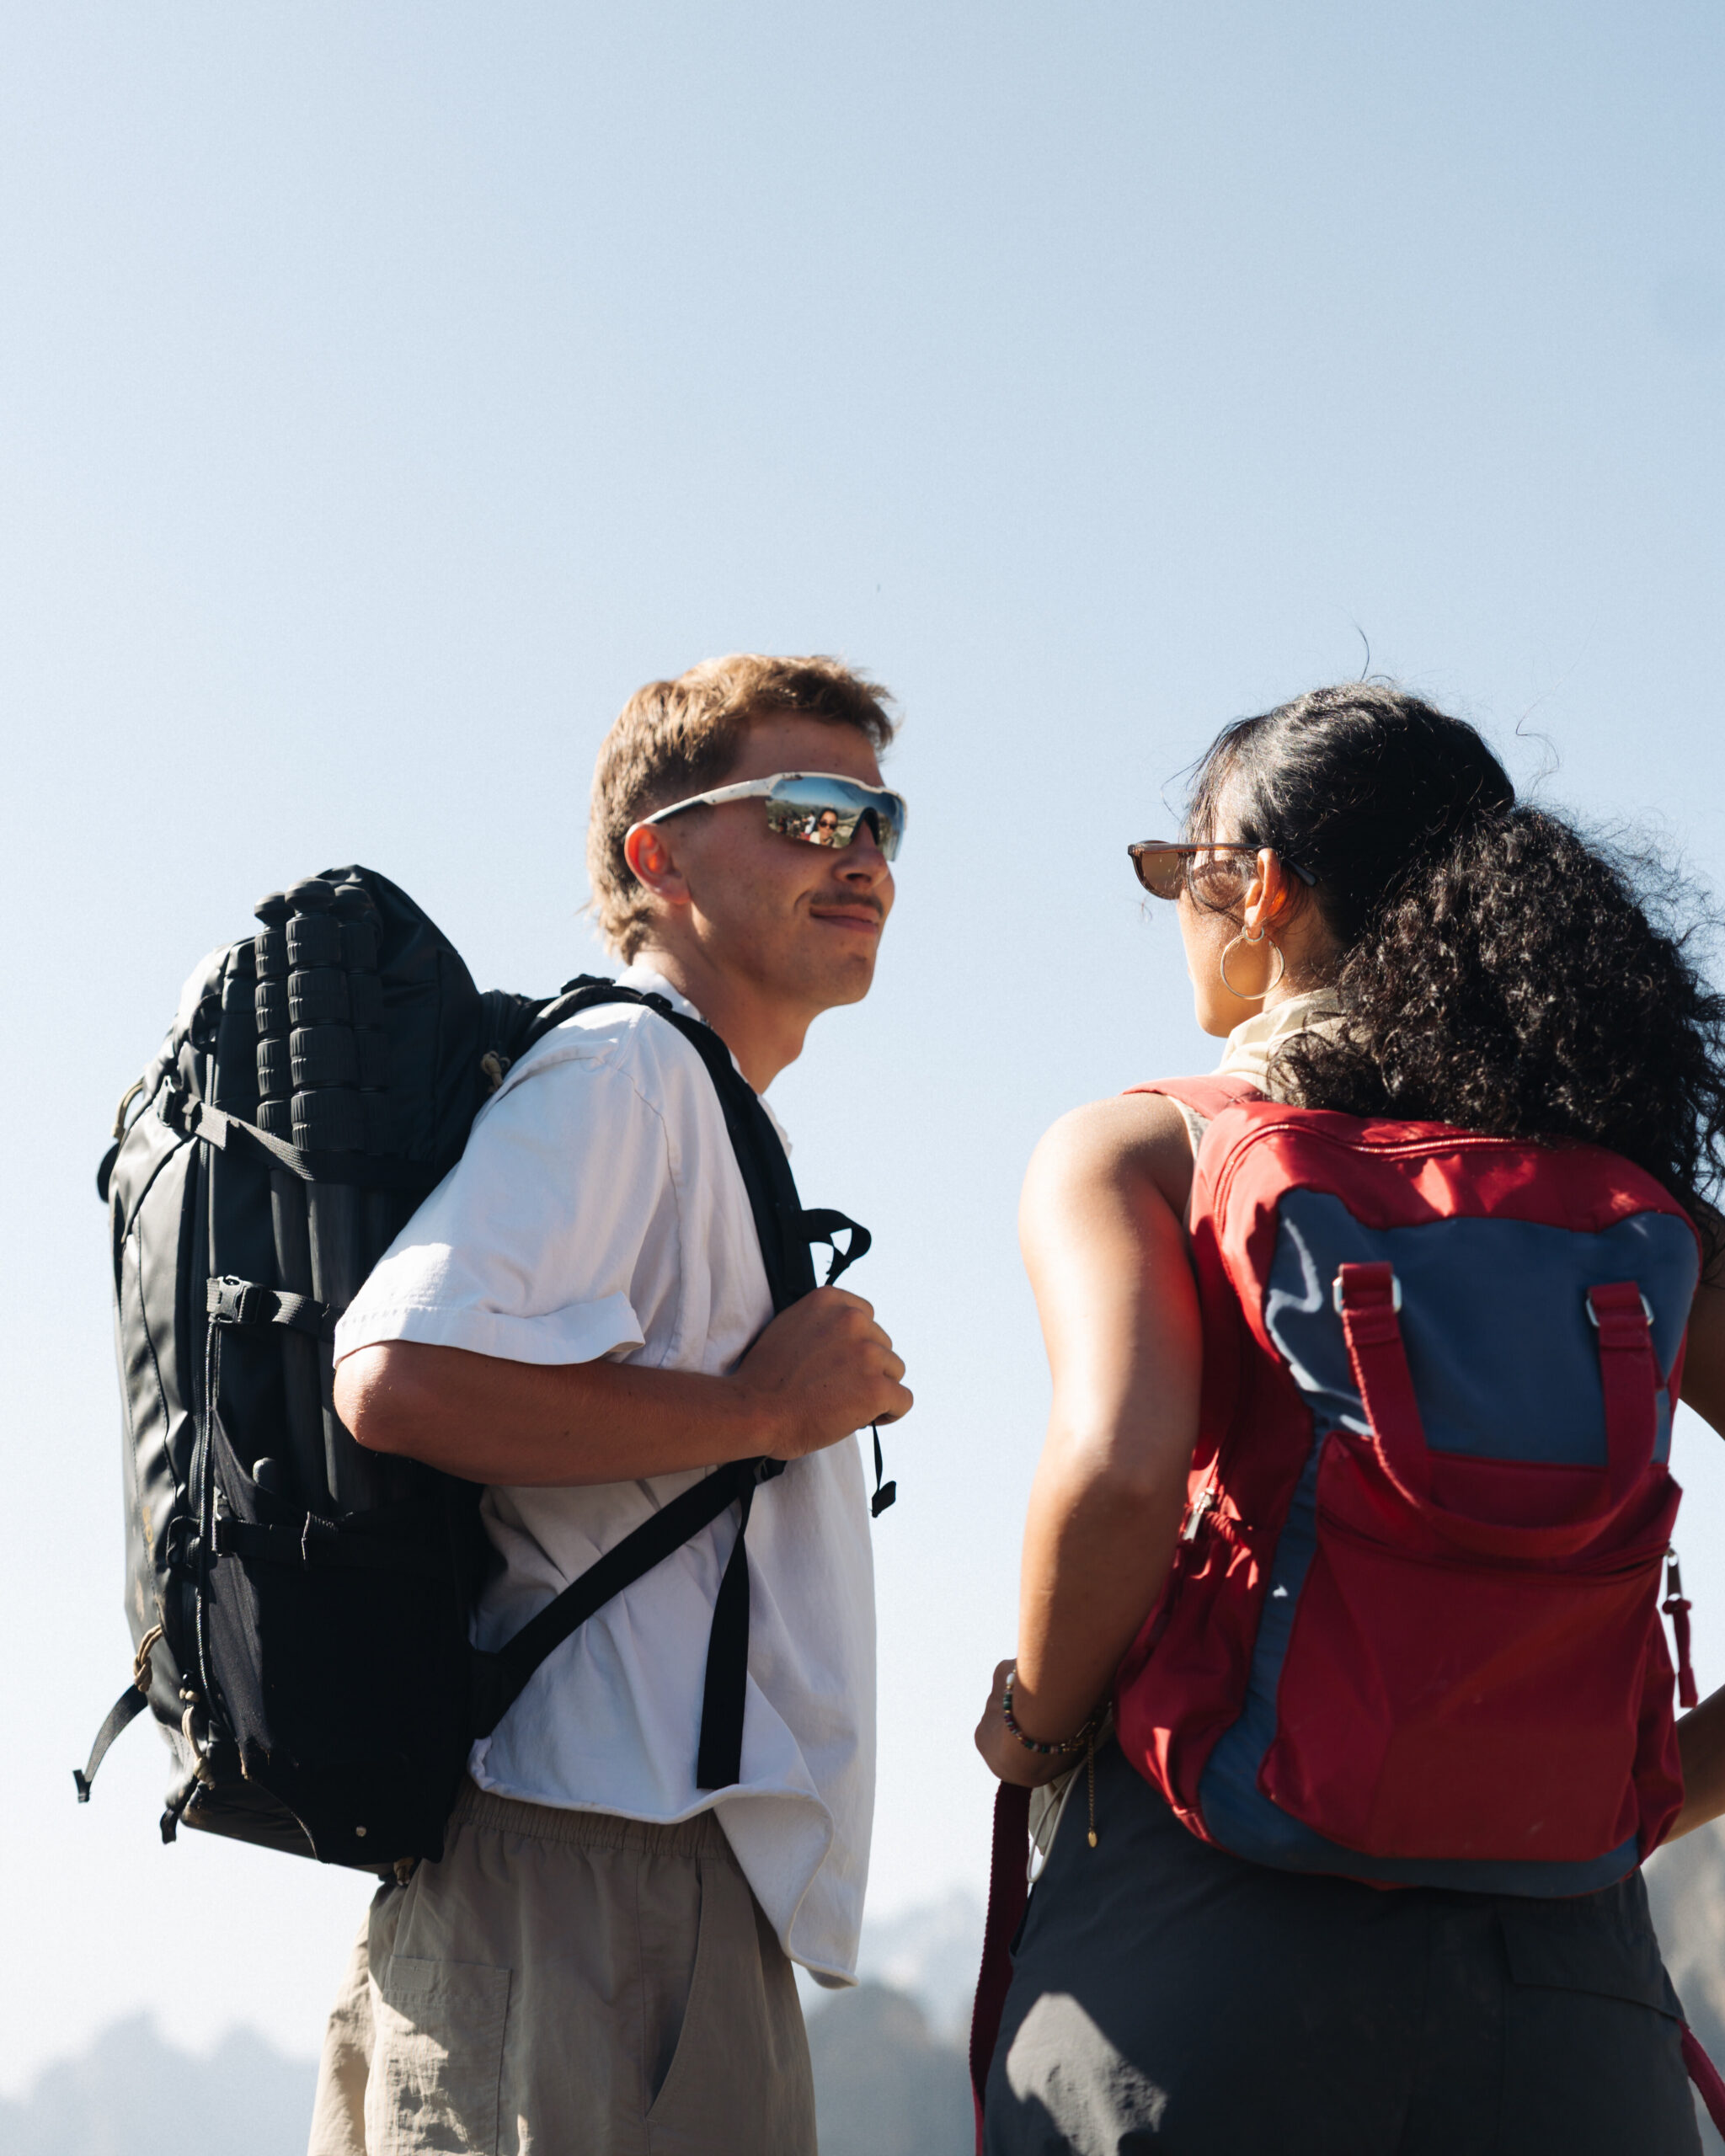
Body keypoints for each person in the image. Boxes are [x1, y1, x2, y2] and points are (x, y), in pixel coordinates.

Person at [975, 682, 1725, 2154]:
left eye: (1167, 874)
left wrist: (1035, 1732)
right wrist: (1646, 1796)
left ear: (1255, 886)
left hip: (1206, 1937)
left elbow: (1119, 1478)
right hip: (1571, 1995)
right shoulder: (1629, 1197)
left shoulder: (1149, 1142)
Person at [307, 653, 913, 2156]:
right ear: (660, 856)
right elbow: (397, 1372)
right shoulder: (625, 1070)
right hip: (588, 1885)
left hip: (641, 1888)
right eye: (809, 813)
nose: (863, 860)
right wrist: (760, 1414)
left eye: (882, 820)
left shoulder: (701, 1095)